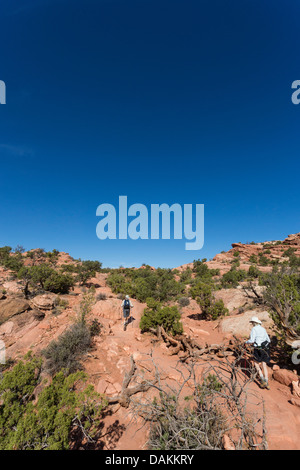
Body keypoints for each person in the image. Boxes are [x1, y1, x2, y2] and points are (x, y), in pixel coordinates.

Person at [245, 316, 271, 389]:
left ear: (254, 323)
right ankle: (266, 381)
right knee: (264, 364)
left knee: (256, 363)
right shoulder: (263, 329)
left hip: (258, 348)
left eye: (252, 322)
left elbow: (252, 340)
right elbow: (268, 340)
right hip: (266, 348)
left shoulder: (254, 329)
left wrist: (246, 342)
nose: (252, 324)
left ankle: (262, 379)